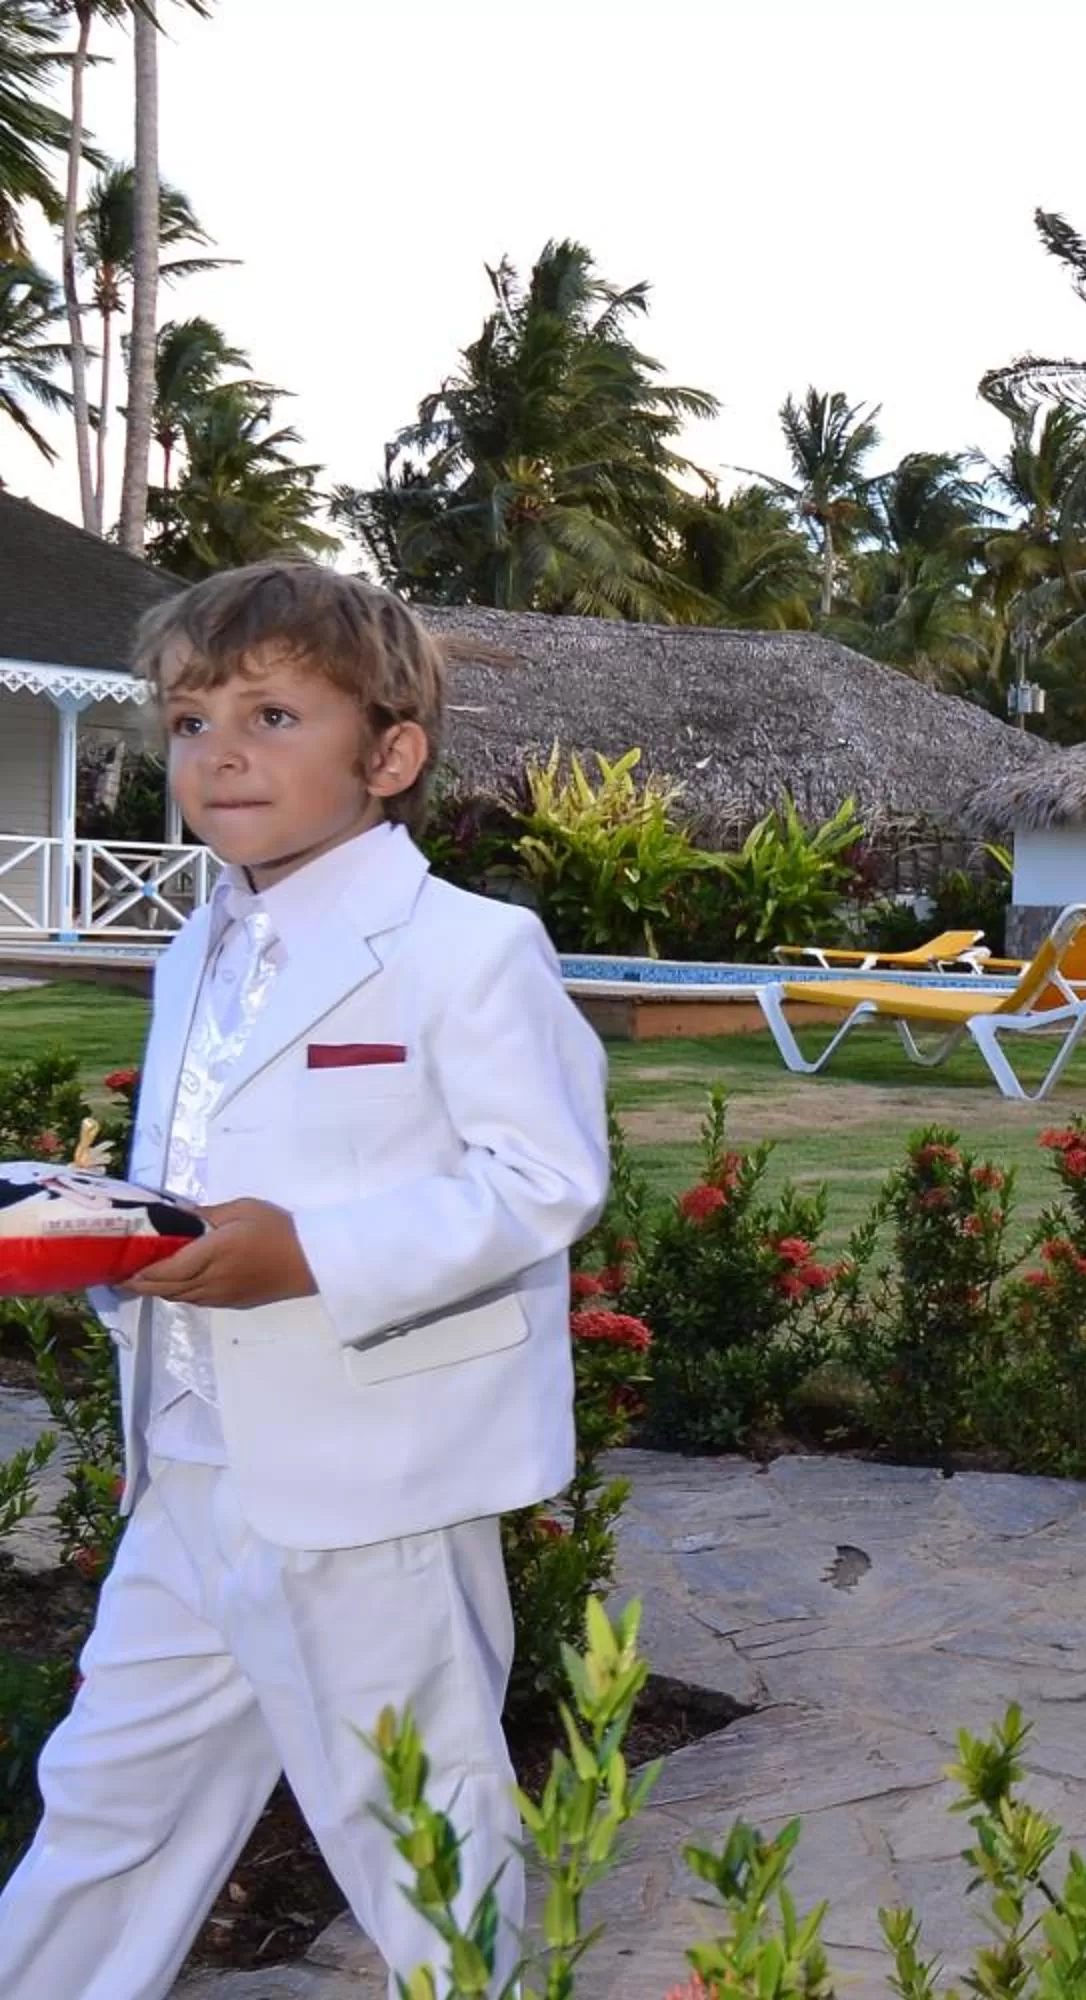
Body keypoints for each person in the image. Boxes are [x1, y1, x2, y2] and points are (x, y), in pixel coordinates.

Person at [0, 563, 611, 1998]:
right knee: (109, 1803)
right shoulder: (200, 943)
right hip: (193, 1468)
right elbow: (191, 1165)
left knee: (422, 1842)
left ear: (388, 755)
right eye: (192, 717)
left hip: (372, 1482)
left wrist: (311, 1257)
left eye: (273, 714)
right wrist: (107, 1249)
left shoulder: (468, 951)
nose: (219, 751)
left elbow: (543, 1181)